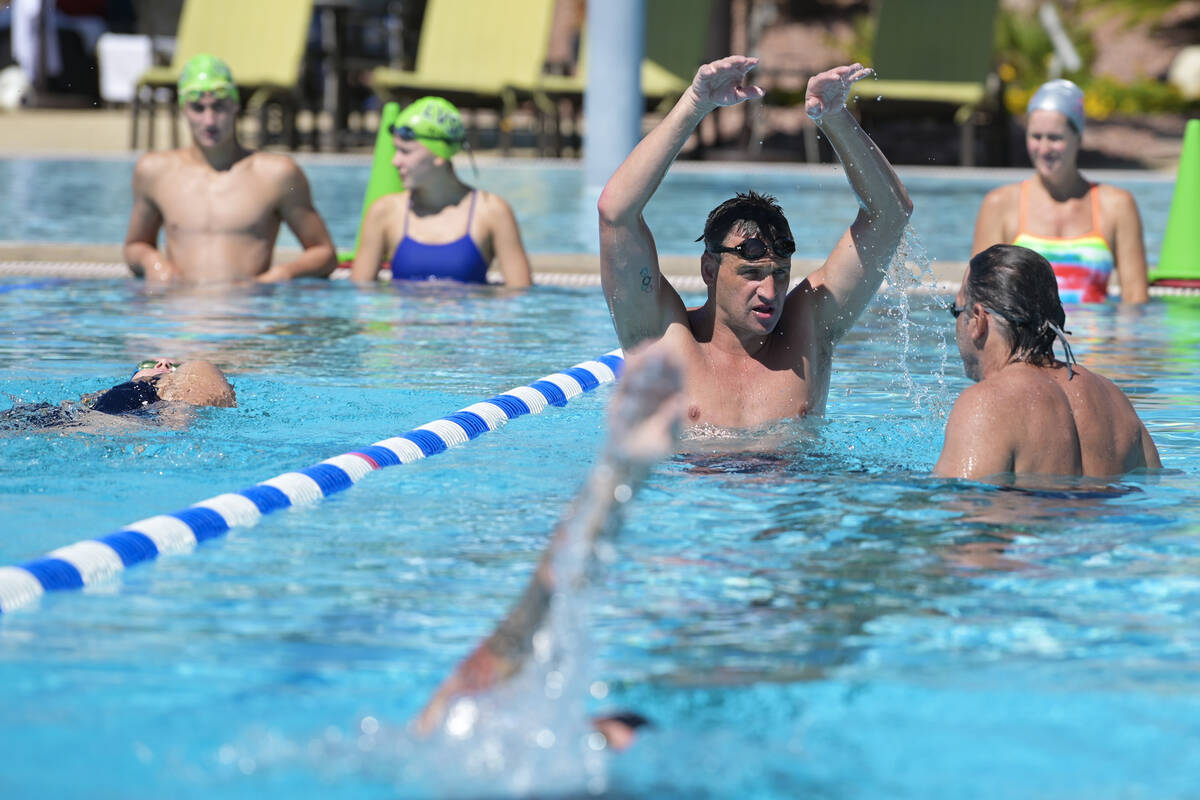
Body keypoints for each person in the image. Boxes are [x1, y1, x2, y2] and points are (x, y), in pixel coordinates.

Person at [597, 57, 913, 429]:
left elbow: (890, 215)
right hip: (690, 487)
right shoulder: (663, 337)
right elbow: (615, 212)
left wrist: (835, 117)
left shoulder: (808, 330)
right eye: (751, 273)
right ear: (709, 270)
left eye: (780, 274)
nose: (770, 291)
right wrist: (696, 103)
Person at [415, 344, 685, 750]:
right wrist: (625, 466)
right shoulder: (535, 756)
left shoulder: (479, 738)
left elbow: (536, 610)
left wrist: (620, 465)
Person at [934, 244, 1160, 481]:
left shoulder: (986, 404)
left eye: (956, 310)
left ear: (978, 319)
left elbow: (957, 507)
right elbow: (1155, 485)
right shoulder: (1114, 399)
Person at [123, 54, 337, 285]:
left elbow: (324, 253)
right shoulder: (155, 172)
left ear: (236, 105)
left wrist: (281, 275)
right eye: (198, 108)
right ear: (183, 109)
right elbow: (135, 246)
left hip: (247, 314)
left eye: (219, 107)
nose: (210, 121)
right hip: (180, 314)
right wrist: (152, 262)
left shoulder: (278, 175)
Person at [971, 79, 1149, 304]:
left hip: (1094, 338)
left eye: (1055, 138)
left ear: (1078, 137)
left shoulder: (1117, 206)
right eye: (1036, 137)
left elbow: (1136, 302)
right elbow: (978, 300)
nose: (1044, 149)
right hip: (1026, 340)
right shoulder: (1000, 204)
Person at [350, 97, 532, 287]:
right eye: (396, 150)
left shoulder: (492, 212)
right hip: (403, 318)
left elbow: (521, 296)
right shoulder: (384, 211)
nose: (395, 161)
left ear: (439, 155)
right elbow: (360, 297)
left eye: (406, 152)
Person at [1, 357, 236, 432]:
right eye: (150, 362)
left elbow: (180, 410)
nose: (163, 362)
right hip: (81, 419)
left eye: (174, 366)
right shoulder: (113, 391)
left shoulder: (162, 389)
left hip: (125, 422)